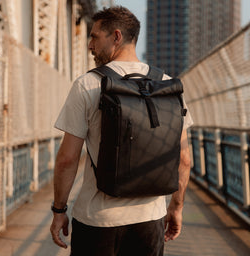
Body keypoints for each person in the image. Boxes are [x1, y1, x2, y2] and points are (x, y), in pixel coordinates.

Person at [50, 6, 193, 256]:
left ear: (116, 36)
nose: (89, 45)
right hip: (150, 220)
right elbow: (184, 159)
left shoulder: (88, 84)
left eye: (94, 37)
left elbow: (67, 159)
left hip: (97, 221)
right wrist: (176, 207)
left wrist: (59, 211)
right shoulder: (168, 85)